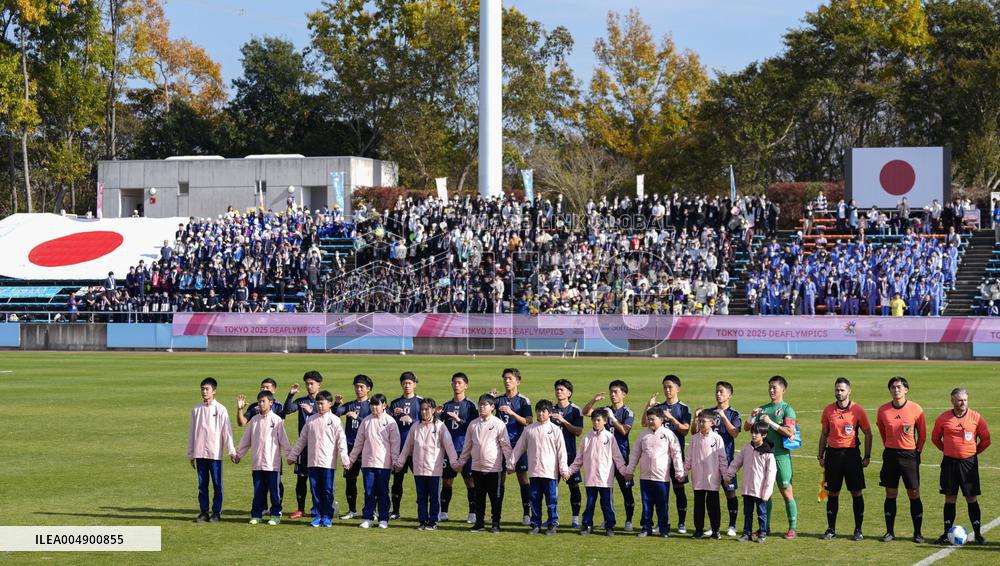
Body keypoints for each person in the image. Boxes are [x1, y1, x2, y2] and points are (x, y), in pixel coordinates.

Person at [931, 388, 991, 545]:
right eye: (959, 400)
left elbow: (986, 440)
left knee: (971, 498)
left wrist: (973, 453)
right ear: (952, 400)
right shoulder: (943, 418)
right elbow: (935, 438)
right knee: (950, 498)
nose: (962, 403)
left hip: (968, 463)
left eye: (965, 400)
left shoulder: (976, 417)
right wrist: (948, 450)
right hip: (949, 463)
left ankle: (978, 534)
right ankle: (946, 533)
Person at [817, 377, 872, 541]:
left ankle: (858, 530)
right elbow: (824, 434)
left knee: (856, 492)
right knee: (832, 492)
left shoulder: (858, 410)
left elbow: (868, 433)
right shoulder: (828, 410)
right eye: (837, 390)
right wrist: (820, 455)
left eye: (842, 390)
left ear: (849, 391)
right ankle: (831, 529)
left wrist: (867, 456)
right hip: (833, 455)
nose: (839, 393)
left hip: (851, 455)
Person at [744, 375, 798, 538]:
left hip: (780, 456)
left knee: (785, 490)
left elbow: (790, 432)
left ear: (783, 389)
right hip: (763, 455)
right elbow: (747, 428)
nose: (771, 390)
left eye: (774, 387)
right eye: (769, 387)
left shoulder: (787, 409)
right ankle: (765, 527)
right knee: (764, 492)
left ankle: (792, 528)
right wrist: (752, 416)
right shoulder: (762, 409)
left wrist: (771, 423)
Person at [288, 390, 349, 528]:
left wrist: (344, 459)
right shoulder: (311, 420)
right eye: (318, 403)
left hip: (328, 462)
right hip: (312, 461)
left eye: (322, 403)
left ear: (329, 404)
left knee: (327, 489)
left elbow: (341, 441)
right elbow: (301, 440)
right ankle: (318, 515)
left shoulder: (335, 420)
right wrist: (293, 456)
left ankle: (327, 515)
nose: (320, 406)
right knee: (315, 489)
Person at [876, 376, 927, 543]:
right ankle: (889, 532)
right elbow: (882, 432)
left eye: (899, 387)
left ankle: (918, 533)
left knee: (913, 493)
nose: (896, 390)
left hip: (909, 456)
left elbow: (922, 434)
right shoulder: (883, 410)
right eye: (892, 387)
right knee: (890, 493)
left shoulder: (916, 409)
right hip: (890, 455)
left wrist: (917, 451)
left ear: (906, 389)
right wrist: (889, 446)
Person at [454, 394, 514, 533]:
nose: (481, 407)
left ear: (493, 407)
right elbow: (467, 447)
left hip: (494, 468)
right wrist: (460, 463)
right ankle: (479, 523)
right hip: (476, 467)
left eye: (485, 404)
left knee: (495, 498)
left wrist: (510, 463)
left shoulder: (498, 424)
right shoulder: (473, 424)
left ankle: (495, 523)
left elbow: (505, 445)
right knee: (479, 497)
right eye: (480, 404)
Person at [396, 398, 458, 531]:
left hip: (434, 469)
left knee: (434, 497)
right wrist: (400, 462)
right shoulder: (415, 426)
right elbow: (407, 446)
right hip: (418, 468)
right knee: (421, 496)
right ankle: (422, 521)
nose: (424, 412)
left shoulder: (440, 426)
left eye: (427, 409)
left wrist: (454, 462)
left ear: (433, 410)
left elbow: (449, 446)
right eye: (422, 409)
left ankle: (433, 521)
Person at [582, 379, 636, 531]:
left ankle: (629, 520)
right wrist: (593, 400)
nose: (612, 395)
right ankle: (608, 521)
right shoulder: (604, 409)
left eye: (616, 392)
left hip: (621, 456)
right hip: (603, 458)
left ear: (624, 394)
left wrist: (612, 418)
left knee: (626, 490)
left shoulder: (627, 412)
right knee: (605, 491)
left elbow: (625, 431)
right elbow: (585, 412)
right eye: (611, 391)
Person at [510, 400, 570, 535]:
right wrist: (511, 463)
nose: (541, 413)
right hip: (534, 471)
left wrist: (564, 469)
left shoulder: (555, 430)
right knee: (535, 499)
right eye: (538, 411)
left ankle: (552, 524)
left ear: (550, 414)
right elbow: (519, 447)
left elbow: (561, 451)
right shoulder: (529, 429)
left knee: (551, 500)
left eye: (544, 411)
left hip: (550, 472)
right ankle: (535, 524)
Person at [624, 408, 685, 538]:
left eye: (653, 419)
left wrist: (679, 471)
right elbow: (635, 454)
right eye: (649, 419)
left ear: (661, 419)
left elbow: (676, 454)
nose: (650, 422)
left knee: (662, 504)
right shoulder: (643, 435)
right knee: (647, 504)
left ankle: (664, 529)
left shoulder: (668, 434)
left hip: (662, 477)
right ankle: (646, 528)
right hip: (645, 476)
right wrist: (630, 470)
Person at [568, 409, 629, 536]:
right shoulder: (587, 437)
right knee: (590, 503)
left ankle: (610, 526)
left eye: (598, 420)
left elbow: (618, 457)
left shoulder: (610, 437)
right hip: (590, 478)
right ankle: (587, 525)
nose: (595, 423)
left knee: (607, 503)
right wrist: (569, 471)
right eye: (593, 420)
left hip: (605, 478)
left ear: (605, 421)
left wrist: (624, 472)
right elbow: (579, 458)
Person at [233, 390, 290, 525]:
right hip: (257, 463)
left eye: (263, 401)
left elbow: (284, 441)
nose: (261, 404)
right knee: (258, 491)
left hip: (272, 464)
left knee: (274, 492)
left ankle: (275, 514)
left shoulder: (276, 420)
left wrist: (290, 456)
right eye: (259, 401)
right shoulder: (254, 420)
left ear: (271, 403)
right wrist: (238, 454)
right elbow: (246, 440)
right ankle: (256, 514)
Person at [643, 374, 691, 533]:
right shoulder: (659, 408)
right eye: (665, 387)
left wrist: (671, 419)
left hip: (676, 455)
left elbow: (685, 430)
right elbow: (645, 423)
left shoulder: (683, 408)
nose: (667, 390)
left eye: (670, 387)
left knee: (679, 489)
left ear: (678, 388)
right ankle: (660, 522)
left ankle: (682, 522)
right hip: (659, 458)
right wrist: (647, 407)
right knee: (659, 490)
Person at [347, 393, 400, 529]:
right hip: (368, 463)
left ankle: (383, 518)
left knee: (383, 491)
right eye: (372, 405)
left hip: (384, 463)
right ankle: (368, 517)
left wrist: (395, 461)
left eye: (377, 405)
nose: (374, 407)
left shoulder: (390, 422)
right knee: (369, 491)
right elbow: (358, 442)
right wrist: (351, 459)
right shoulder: (366, 421)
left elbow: (395, 443)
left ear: (384, 406)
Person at [188, 377, 236, 523]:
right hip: (199, 453)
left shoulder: (220, 409)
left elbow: (227, 431)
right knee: (202, 485)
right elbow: (192, 432)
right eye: (202, 388)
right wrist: (191, 453)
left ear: (214, 391)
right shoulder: (196, 409)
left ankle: (216, 512)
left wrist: (231, 451)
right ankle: (203, 512)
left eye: (207, 389)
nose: (204, 391)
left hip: (215, 454)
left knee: (216, 484)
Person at [724, 422, 776, 543]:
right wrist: (728, 475)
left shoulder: (768, 453)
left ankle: (762, 533)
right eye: (752, 432)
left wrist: (767, 491)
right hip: (747, 488)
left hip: (760, 490)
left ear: (764, 435)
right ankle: (747, 533)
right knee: (747, 512)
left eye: (756, 433)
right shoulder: (747, 448)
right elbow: (737, 462)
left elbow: (771, 473)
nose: (753, 435)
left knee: (761, 513)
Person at [493, 368, 533, 525]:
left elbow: (528, 421)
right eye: (505, 378)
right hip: (500, 446)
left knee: (523, 478)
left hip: (518, 445)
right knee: (499, 480)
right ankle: (497, 515)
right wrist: (489, 398)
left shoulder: (523, 401)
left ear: (518, 381)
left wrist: (512, 413)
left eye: (510, 378)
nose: (507, 381)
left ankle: (526, 514)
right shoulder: (498, 400)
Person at [282, 371, 323, 520]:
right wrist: (291, 395)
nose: (309, 386)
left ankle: (317, 508)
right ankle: (300, 509)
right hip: (303, 447)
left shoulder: (323, 400)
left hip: (318, 447)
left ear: (319, 384)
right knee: (301, 477)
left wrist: (311, 411)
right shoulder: (301, 401)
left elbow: (329, 417)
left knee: (317, 479)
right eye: (307, 384)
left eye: (312, 383)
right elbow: (286, 410)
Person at [439, 372, 478, 524]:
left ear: (466, 386)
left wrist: (459, 420)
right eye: (454, 382)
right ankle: (443, 512)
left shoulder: (471, 406)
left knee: (470, 481)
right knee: (447, 481)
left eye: (460, 383)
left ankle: (472, 513)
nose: (456, 385)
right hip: (449, 450)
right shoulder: (446, 405)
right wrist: (436, 415)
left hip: (466, 450)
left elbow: (475, 427)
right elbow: (438, 427)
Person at [333, 374, 372, 520]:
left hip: (367, 449)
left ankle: (370, 511)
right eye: (356, 386)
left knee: (369, 481)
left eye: (361, 387)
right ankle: (352, 510)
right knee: (350, 479)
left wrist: (358, 418)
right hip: (350, 448)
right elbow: (336, 414)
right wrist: (337, 404)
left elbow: (372, 424)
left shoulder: (371, 406)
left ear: (368, 389)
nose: (358, 389)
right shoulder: (350, 404)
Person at [687, 411, 729, 539]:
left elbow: (722, 459)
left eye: (703, 421)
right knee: (698, 505)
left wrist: (725, 476)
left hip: (712, 478)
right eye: (699, 421)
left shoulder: (717, 439)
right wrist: (683, 471)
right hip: (698, 477)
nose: (700, 423)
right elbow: (689, 458)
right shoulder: (694, 438)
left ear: (711, 423)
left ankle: (715, 530)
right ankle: (698, 530)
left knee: (713, 505)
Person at [551, 379, 584, 528]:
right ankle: (553, 518)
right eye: (557, 389)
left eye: (562, 389)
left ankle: (575, 519)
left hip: (570, 455)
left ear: (569, 393)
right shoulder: (550, 409)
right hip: (552, 455)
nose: (559, 392)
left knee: (573, 486)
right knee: (552, 487)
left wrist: (563, 421)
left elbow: (578, 431)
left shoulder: (575, 410)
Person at [711, 381, 742, 536]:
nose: (718, 394)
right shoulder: (709, 412)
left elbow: (735, 433)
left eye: (721, 392)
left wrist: (723, 417)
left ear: (729, 395)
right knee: (711, 493)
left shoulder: (734, 414)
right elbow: (696, 432)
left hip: (727, 461)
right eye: (716, 391)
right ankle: (713, 526)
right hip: (709, 461)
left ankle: (732, 525)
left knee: (730, 492)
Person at [389, 371, 422, 520]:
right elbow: (388, 423)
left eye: (410, 383)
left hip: (417, 449)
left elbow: (427, 422)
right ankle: (395, 511)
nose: (407, 385)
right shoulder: (395, 403)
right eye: (404, 383)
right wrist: (392, 414)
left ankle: (422, 510)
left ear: (414, 384)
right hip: (400, 448)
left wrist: (413, 420)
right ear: (401, 384)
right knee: (397, 481)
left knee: (421, 480)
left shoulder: (421, 402)